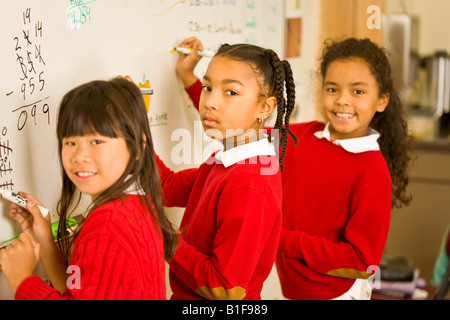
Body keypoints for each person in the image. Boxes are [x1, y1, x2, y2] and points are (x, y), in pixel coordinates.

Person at [176, 37, 412, 300]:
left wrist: (279, 238)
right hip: (293, 290)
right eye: (332, 89)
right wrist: (190, 79)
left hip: (336, 296)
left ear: (382, 101)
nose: (342, 100)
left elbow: (361, 264)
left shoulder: (373, 172)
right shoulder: (299, 137)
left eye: (358, 92)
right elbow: (236, 118)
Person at [0, 78, 178, 300]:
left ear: (137, 146)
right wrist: (45, 236)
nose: (79, 156)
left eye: (96, 142)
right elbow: (78, 291)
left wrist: (22, 280)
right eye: (70, 143)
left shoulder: (107, 224)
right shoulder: (136, 206)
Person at [156, 42, 297, 300]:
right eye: (207, 87)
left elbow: (225, 289)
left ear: (265, 108)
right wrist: (133, 130)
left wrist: (167, 240)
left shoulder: (249, 183)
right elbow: (167, 188)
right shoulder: (228, 157)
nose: (210, 102)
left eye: (230, 92)